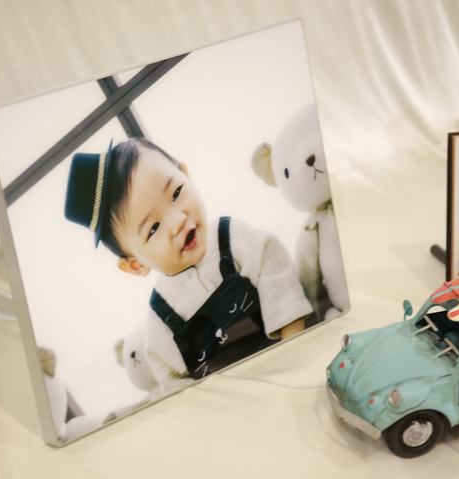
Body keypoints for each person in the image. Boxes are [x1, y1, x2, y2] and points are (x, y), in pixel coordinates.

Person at [65, 138, 313, 398]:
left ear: (186, 175)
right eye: (153, 228)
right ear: (136, 265)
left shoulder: (237, 241)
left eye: (175, 193)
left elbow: (286, 301)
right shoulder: (160, 324)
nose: (177, 222)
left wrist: (296, 376)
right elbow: (181, 395)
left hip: (294, 370)